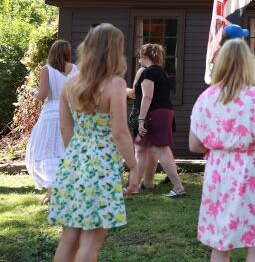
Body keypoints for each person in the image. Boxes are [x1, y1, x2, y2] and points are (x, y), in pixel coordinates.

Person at [48, 23, 139, 261]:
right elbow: (119, 131)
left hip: (73, 162)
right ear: (113, 51)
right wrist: (134, 167)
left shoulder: (70, 83)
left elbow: (65, 127)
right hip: (101, 165)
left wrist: (77, 157)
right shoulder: (115, 84)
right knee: (91, 242)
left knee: (68, 237)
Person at [189, 39, 255, 262]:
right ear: (248, 64)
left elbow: (194, 144)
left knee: (220, 243)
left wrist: (219, 150)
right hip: (248, 171)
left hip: (217, 172)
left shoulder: (205, 98)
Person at [25, 40, 78, 204]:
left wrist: (33, 90)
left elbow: (42, 95)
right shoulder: (75, 69)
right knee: (66, 150)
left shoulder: (46, 69)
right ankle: (65, 189)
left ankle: (52, 190)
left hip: (50, 114)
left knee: (48, 152)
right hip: (69, 112)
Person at [132, 43, 185, 197]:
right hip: (163, 112)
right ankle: (135, 186)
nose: (138, 57)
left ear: (144, 55)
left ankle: (178, 187)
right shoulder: (161, 72)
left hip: (155, 114)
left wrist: (141, 119)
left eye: (139, 55)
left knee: (162, 149)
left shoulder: (148, 73)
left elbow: (147, 97)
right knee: (141, 148)